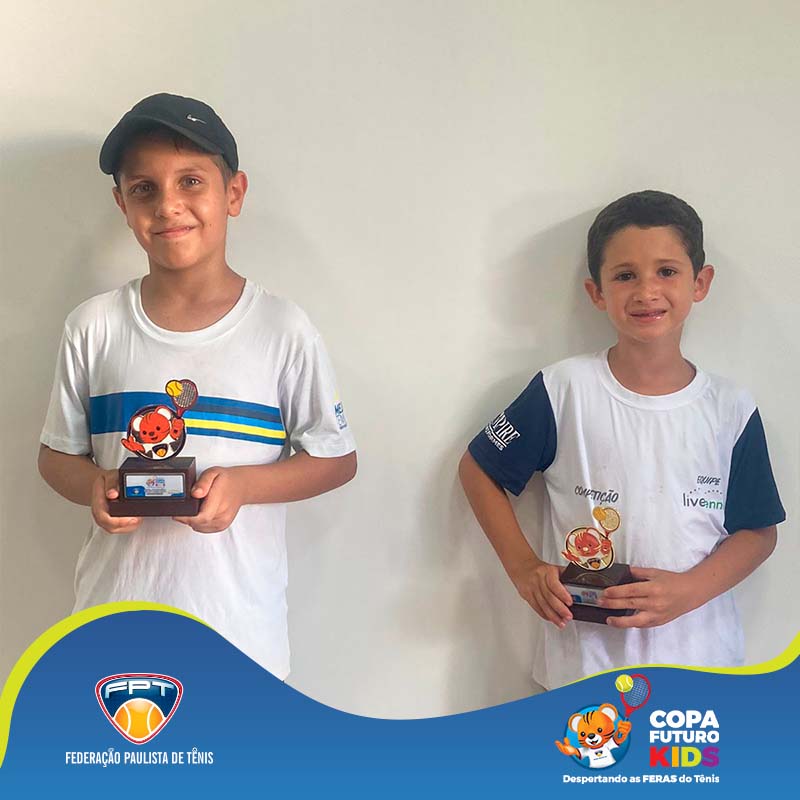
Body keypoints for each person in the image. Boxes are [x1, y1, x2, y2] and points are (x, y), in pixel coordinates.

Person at [39, 93, 357, 679]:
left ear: (233, 193)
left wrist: (243, 486)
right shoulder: (93, 326)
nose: (168, 205)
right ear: (122, 204)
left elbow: (335, 459)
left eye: (190, 181)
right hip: (112, 632)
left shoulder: (281, 328)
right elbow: (56, 456)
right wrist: (95, 485)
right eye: (144, 188)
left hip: (239, 642)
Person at [459, 190, 785, 689]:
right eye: (625, 275)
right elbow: (479, 469)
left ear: (700, 282)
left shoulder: (730, 408)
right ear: (596, 292)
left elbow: (758, 532)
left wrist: (690, 590)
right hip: (585, 668)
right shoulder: (564, 389)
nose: (647, 291)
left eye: (667, 271)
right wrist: (524, 569)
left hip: (701, 663)